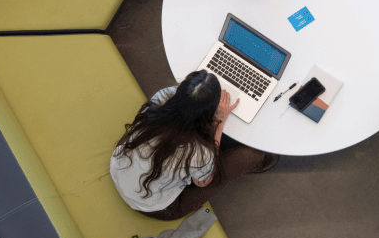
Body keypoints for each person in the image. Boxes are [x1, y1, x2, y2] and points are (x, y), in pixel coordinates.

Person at [110, 70, 278, 220]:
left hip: (118, 171)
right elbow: (203, 182)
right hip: (153, 207)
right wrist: (220, 122)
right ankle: (258, 161)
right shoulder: (199, 153)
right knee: (251, 155)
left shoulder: (162, 96)